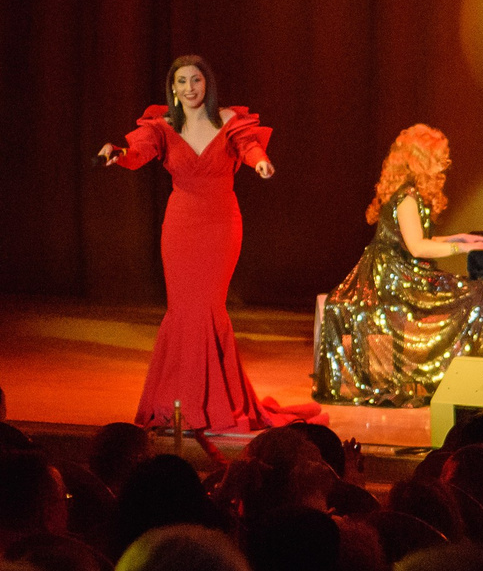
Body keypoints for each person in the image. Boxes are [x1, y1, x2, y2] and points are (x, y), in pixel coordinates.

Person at [97, 55, 324, 432]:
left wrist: (260, 163)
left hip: (220, 224)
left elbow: (249, 146)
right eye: (182, 81)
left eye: (196, 81)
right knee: (183, 309)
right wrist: (118, 154)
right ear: (172, 88)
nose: (190, 88)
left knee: (209, 307)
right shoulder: (163, 126)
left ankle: (219, 402)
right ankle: (175, 401)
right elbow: (137, 154)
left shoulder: (230, 121)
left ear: (208, 84)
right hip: (181, 224)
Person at [315, 125, 483, 407]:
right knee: (472, 294)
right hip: (391, 278)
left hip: (403, 271)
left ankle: (466, 378)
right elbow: (418, 247)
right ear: (421, 160)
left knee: (470, 291)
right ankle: (460, 379)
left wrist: (462, 238)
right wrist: (462, 247)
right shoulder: (406, 198)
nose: (445, 162)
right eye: (439, 156)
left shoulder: (412, 195)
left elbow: (419, 240)